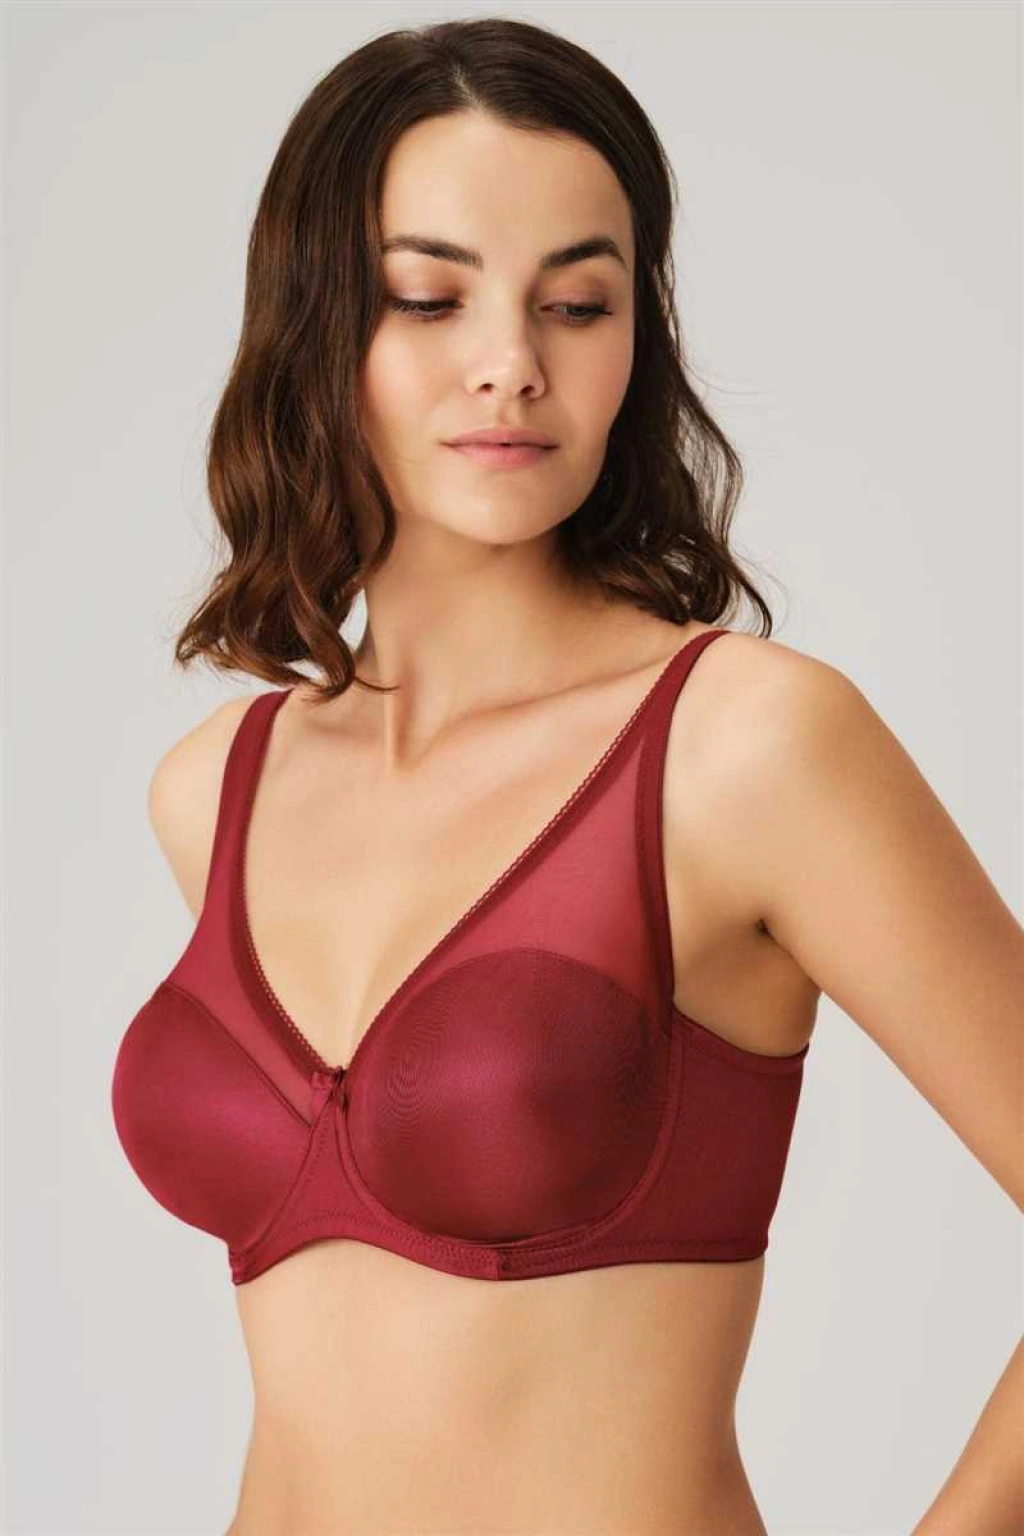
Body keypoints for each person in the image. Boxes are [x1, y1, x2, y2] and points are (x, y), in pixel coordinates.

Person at [110, 17, 1023, 1536]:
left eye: (578, 304)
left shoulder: (744, 747)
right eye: (429, 297)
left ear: (632, 341)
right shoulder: (212, 791)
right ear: (317, 325)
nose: (512, 367)